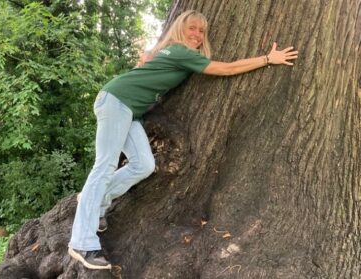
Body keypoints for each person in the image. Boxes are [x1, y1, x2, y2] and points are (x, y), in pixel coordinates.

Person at [68, 10, 298, 270]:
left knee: (143, 165)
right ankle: (82, 242)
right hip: (116, 102)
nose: (197, 35)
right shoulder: (181, 52)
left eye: (201, 31)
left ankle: (94, 201)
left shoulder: (170, 51)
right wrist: (268, 58)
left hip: (128, 110)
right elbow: (226, 68)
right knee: (105, 166)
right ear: (180, 29)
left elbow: (148, 57)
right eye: (192, 29)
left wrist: (146, 55)